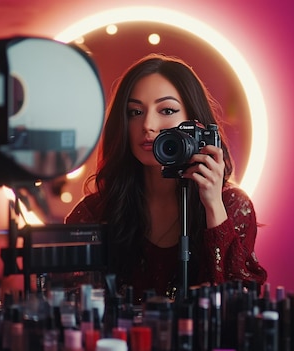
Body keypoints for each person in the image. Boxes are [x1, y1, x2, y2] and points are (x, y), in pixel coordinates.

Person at [65, 53, 267, 302]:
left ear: (195, 122)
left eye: (167, 110)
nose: (148, 125)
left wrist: (213, 206)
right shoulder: (94, 212)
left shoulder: (233, 206)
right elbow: (69, 304)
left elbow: (240, 302)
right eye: (135, 112)